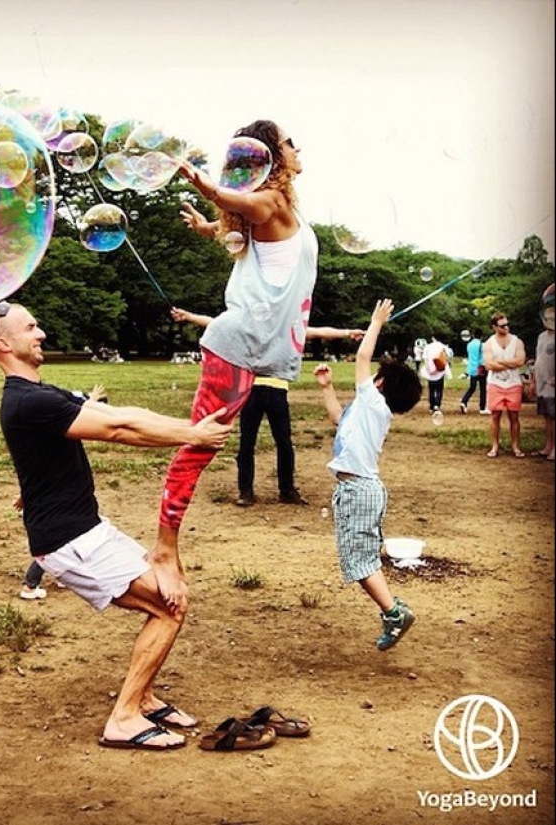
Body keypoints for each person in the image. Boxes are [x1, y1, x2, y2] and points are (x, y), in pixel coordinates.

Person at [0, 300, 233, 749]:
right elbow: (119, 427)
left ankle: (146, 698)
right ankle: (125, 717)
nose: (41, 333)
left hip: (85, 530)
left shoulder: (40, 393)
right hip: (70, 540)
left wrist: (190, 425)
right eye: (31, 327)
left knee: (171, 592)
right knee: (169, 606)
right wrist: (193, 434)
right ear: (4, 344)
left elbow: (123, 413)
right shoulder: (28, 402)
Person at [156, 119, 318, 609]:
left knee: (202, 440)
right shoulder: (269, 202)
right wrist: (208, 186)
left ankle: (165, 537)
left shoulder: (276, 211)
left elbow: (239, 230)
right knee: (199, 442)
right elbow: (242, 203)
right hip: (236, 344)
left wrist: (208, 226)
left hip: (253, 345)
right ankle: (164, 547)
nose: (297, 146)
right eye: (290, 141)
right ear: (271, 155)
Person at [314, 299, 423, 651]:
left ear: (379, 384)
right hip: (364, 490)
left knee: (359, 563)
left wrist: (377, 322)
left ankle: (393, 611)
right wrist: (327, 388)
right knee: (363, 558)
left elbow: (362, 358)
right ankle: (393, 607)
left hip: (358, 491)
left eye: (375, 375)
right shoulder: (368, 410)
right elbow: (337, 420)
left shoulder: (375, 404)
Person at [171, 308, 362, 507]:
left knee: (284, 443)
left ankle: (286, 490)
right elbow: (213, 321)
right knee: (247, 443)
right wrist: (189, 316)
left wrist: (348, 332)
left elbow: (319, 332)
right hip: (251, 390)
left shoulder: (285, 330)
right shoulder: (248, 329)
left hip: (278, 390)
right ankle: (246, 491)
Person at [17, 384, 106, 600]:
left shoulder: (54, 427)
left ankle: (61, 575)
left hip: (59, 499)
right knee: (54, 543)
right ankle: (30, 585)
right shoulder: (55, 432)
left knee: (63, 541)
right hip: (56, 503)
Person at [483, 312, 527, 458]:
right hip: (495, 383)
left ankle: (515, 446)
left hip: (513, 383)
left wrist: (500, 362)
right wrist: (510, 363)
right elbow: (488, 365)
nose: (506, 327)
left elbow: (520, 361)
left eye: (507, 324)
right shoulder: (489, 343)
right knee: (495, 415)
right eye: (502, 326)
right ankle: (494, 446)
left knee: (514, 416)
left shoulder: (517, 341)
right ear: (494, 327)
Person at [534, 288, 555, 460]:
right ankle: (548, 446)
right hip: (542, 383)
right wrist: (534, 380)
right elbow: (538, 358)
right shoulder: (541, 337)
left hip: (553, 383)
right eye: (547, 317)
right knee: (547, 417)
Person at [459, 329, 488, 414]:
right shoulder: (482, 345)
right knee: (483, 389)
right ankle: (482, 408)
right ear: (481, 336)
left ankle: (464, 401)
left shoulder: (469, 344)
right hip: (480, 369)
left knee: (472, 388)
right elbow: (482, 358)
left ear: (473, 335)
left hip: (472, 369)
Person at [419, 334, 451, 412]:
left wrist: (428, 368)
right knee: (439, 389)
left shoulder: (428, 347)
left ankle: (431, 406)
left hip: (430, 370)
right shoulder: (443, 346)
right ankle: (437, 405)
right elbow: (448, 357)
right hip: (440, 370)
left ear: (433, 338)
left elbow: (425, 359)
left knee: (431, 389)